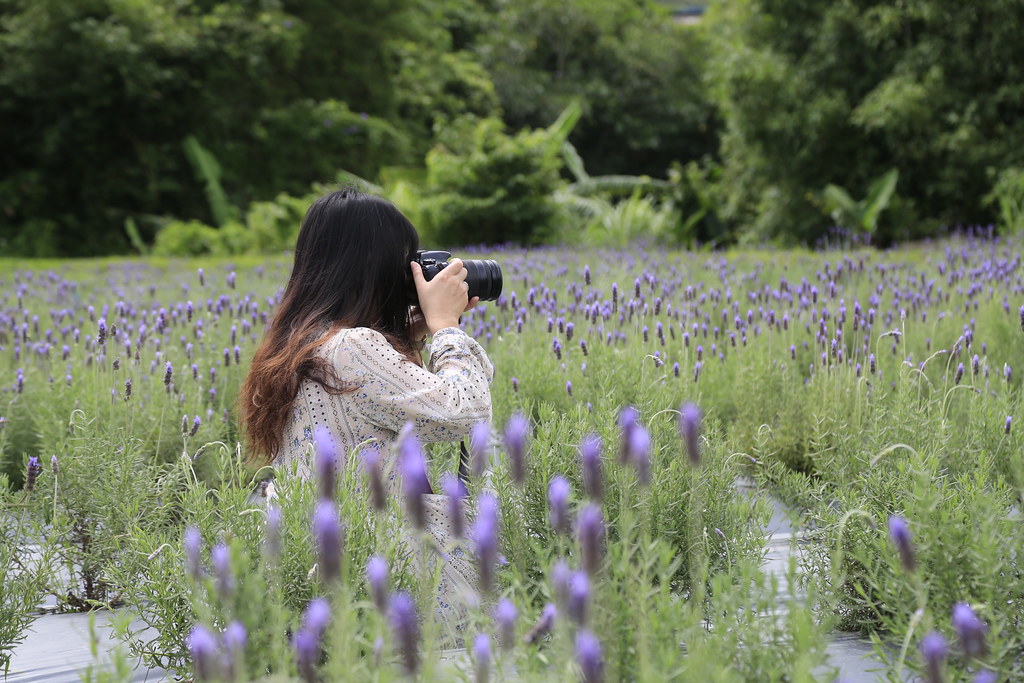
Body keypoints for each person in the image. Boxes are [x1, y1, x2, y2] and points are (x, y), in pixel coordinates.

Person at [238, 188, 493, 641]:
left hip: (317, 569)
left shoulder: (299, 344)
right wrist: (447, 330)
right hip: (386, 575)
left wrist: (412, 336)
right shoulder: (354, 347)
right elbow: (463, 410)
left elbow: (376, 406)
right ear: (374, 267)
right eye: (405, 262)